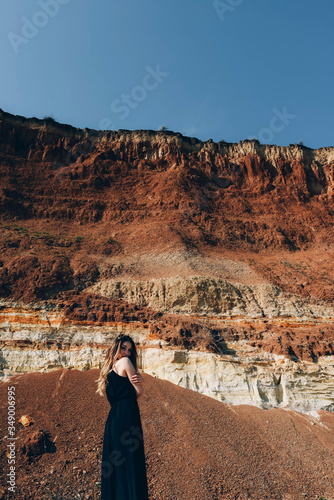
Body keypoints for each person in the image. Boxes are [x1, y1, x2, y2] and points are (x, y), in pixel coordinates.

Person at [96, 334, 149, 500]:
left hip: (113, 419)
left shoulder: (109, 371)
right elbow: (139, 391)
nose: (126, 352)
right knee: (131, 461)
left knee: (117, 464)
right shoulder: (126, 363)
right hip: (128, 414)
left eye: (129, 350)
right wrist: (138, 384)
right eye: (124, 348)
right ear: (117, 348)